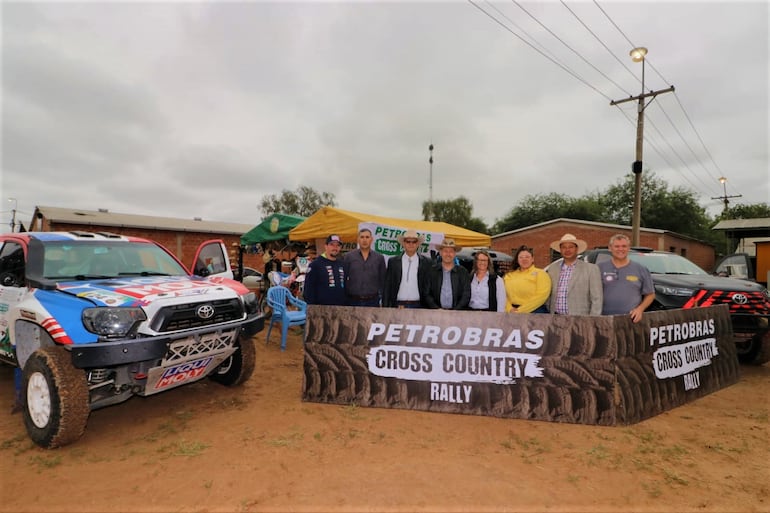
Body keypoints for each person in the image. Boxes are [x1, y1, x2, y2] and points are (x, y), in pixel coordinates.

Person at [598, 233, 655, 323]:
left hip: (630, 320)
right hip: (604, 320)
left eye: (624, 246)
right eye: (617, 246)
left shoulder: (641, 269)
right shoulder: (599, 268)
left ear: (628, 248)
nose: (621, 249)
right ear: (610, 248)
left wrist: (640, 309)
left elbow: (650, 294)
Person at [546, 234, 603, 316]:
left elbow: (597, 299)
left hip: (580, 320)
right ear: (560, 250)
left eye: (571, 247)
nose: (567, 250)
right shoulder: (552, 268)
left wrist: (592, 321)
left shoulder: (591, 269)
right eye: (564, 247)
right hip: (556, 319)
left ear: (577, 249)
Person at [382, 229, 432, 308]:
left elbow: (429, 287)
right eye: (408, 241)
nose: (411, 244)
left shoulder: (426, 262)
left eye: (414, 242)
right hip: (398, 305)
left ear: (418, 244)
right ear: (403, 243)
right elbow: (387, 286)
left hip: (419, 306)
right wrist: (385, 307)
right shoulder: (393, 262)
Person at [343, 228, 386, 307]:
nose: (364, 240)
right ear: (358, 240)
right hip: (352, 301)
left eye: (367, 237)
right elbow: (343, 278)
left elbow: (383, 280)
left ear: (371, 239)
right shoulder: (348, 257)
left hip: (373, 301)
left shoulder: (379, 258)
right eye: (362, 237)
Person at [424, 239, 471, 310]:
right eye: (445, 251)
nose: (448, 254)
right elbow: (426, 293)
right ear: (440, 253)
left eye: (451, 251)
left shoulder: (463, 272)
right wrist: (436, 308)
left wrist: (456, 310)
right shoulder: (432, 271)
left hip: (457, 314)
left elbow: (466, 294)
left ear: (455, 253)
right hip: (436, 313)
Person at [503, 245, 551, 313]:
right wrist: (509, 308)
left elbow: (541, 295)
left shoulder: (541, 274)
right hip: (512, 311)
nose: (524, 259)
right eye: (521, 257)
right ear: (517, 260)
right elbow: (503, 294)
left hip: (535, 311)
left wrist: (521, 310)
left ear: (532, 259)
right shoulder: (509, 275)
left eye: (527, 257)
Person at [303, 234, 347, 306]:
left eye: (338, 245)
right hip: (321, 309)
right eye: (332, 245)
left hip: (340, 309)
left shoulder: (342, 264)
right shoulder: (315, 265)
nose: (335, 248)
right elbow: (308, 289)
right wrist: (313, 308)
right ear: (326, 246)